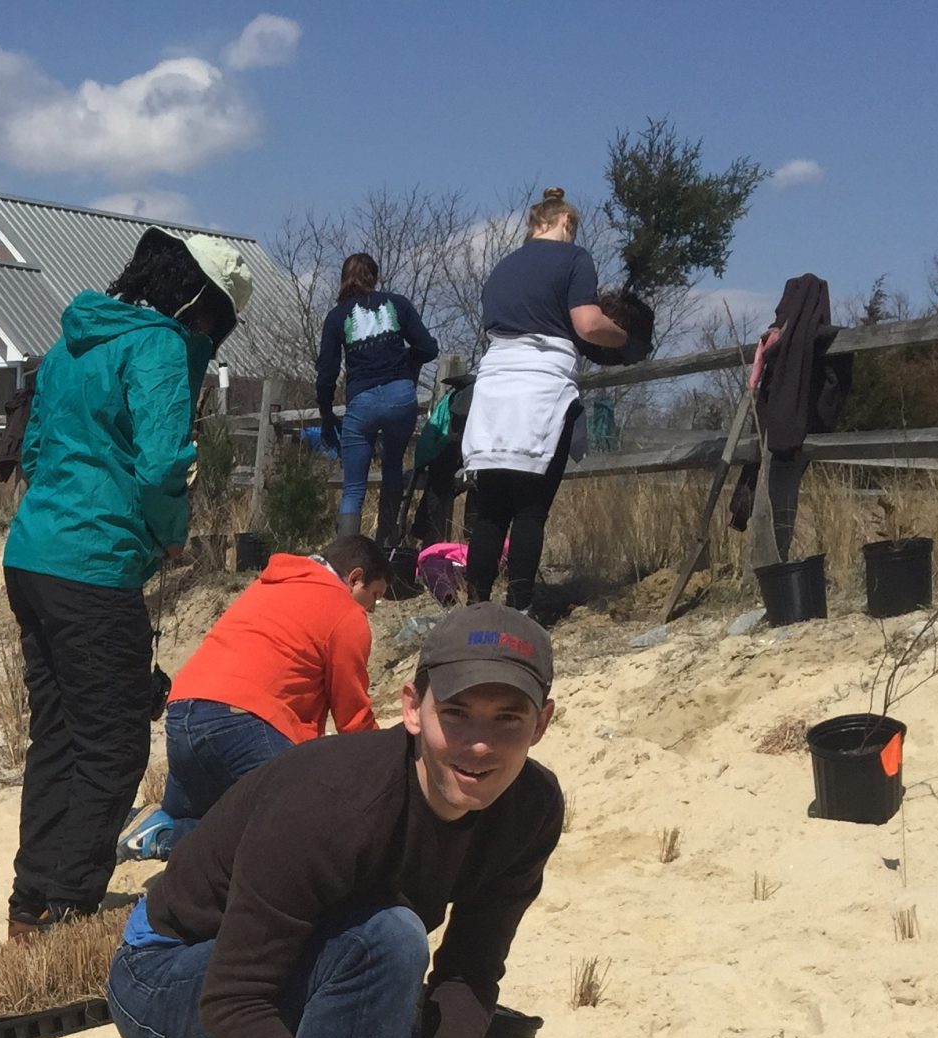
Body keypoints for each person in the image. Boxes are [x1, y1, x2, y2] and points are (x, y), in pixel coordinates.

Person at [105, 605, 563, 1038]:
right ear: (413, 707)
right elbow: (235, 1002)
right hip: (172, 982)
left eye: (508, 720)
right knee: (388, 934)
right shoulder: (332, 799)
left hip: (316, 982)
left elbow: (471, 965)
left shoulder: (530, 810)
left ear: (542, 724)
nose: (478, 746)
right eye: (458, 712)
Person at [0, 225, 253, 940]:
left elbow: (39, 446)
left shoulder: (72, 340)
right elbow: (165, 461)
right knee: (113, 746)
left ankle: (29, 905)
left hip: (34, 555)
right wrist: (169, 532)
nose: (210, 332)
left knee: (57, 736)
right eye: (215, 318)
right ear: (197, 298)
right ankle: (69, 908)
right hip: (95, 563)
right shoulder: (160, 346)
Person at [459, 188, 628, 613]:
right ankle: (518, 606)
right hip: (541, 387)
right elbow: (587, 324)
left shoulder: (502, 268)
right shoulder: (575, 259)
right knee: (531, 508)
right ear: (565, 222)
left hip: (494, 385)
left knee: (492, 508)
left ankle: (476, 605)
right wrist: (621, 336)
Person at [157, 533, 386, 824]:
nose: (373, 607)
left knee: (207, 816)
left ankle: (169, 825)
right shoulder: (347, 614)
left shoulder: (272, 583)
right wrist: (385, 759)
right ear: (355, 578)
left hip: (181, 715)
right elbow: (352, 718)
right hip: (244, 721)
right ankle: (175, 837)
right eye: (375, 595)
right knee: (305, 823)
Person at [315, 255, 437, 546]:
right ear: (375, 276)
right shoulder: (397, 304)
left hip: (363, 401)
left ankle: (347, 558)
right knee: (393, 467)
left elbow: (326, 373)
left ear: (344, 278)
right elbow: (428, 348)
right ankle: (387, 542)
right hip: (400, 396)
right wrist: (406, 364)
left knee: (354, 487)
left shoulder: (337, 316)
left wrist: (326, 413)